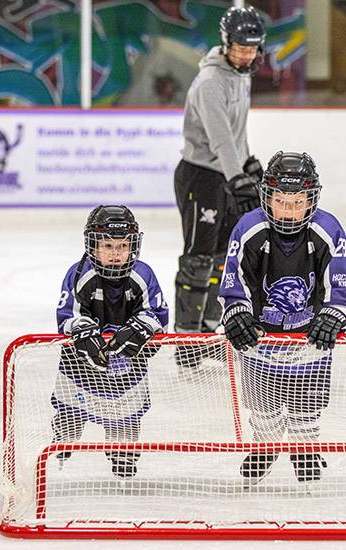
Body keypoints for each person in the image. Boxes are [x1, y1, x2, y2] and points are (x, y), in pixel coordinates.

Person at [218, 151, 346, 484]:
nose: (289, 211)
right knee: (264, 414)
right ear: (266, 196)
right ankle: (265, 447)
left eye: (298, 202)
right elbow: (233, 278)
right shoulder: (248, 228)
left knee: (306, 412)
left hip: (309, 340)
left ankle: (304, 449)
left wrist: (334, 314)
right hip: (260, 342)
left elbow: (341, 280)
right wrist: (236, 311)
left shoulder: (328, 229)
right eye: (281, 201)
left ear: (312, 200)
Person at [173, 6, 266, 364]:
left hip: (226, 173)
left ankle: (210, 330)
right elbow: (219, 140)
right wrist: (238, 176)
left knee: (222, 259)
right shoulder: (211, 82)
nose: (247, 54)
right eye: (241, 47)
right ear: (226, 43)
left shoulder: (241, 74)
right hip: (202, 175)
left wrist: (247, 162)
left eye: (253, 48)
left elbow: (237, 133)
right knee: (198, 258)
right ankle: (186, 343)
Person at [53, 205, 168, 478]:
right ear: (93, 246)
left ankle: (122, 453)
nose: (116, 253)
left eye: (123, 246)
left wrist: (142, 328)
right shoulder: (79, 274)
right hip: (79, 370)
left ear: (134, 246)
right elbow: (68, 315)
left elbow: (159, 316)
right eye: (107, 245)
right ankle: (66, 433)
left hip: (126, 371)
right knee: (68, 425)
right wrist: (82, 332)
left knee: (125, 434)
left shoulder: (143, 274)